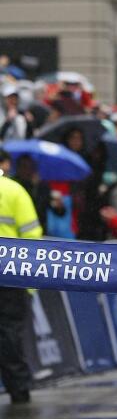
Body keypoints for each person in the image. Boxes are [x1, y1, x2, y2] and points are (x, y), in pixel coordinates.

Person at [0, 148, 42, 404]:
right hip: (11, 274)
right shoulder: (14, 191)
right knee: (10, 332)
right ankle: (18, 389)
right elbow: (32, 237)